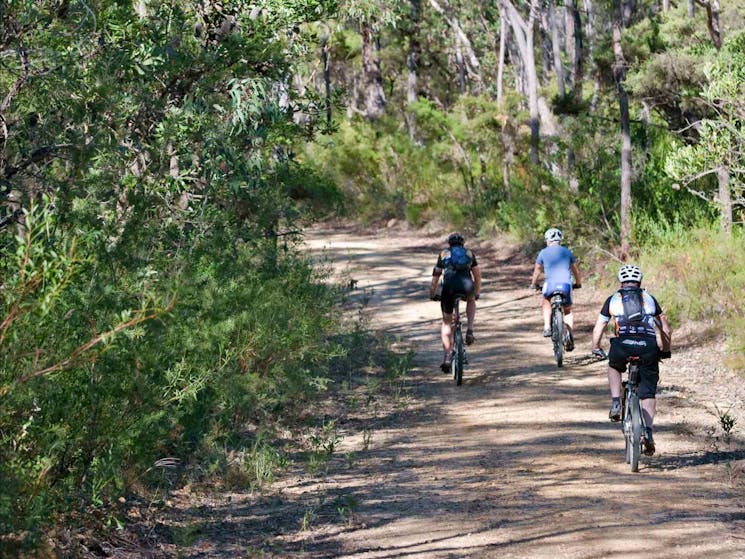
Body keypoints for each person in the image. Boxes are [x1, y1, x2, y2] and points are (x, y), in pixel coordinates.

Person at [591, 264, 672, 456]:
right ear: (640, 282)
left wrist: (595, 346)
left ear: (621, 282)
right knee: (648, 392)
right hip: (648, 347)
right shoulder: (650, 299)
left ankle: (616, 402)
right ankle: (648, 432)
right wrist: (666, 350)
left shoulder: (613, 299)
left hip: (623, 345)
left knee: (614, 366)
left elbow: (599, 326)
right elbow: (666, 330)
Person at [429, 232, 481, 373]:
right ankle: (470, 329)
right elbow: (477, 275)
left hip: (449, 287)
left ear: (449, 244)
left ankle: (447, 357)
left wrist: (432, 293)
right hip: (466, 285)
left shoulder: (444, 254)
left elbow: (436, 275)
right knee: (471, 300)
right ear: (462, 244)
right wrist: (476, 292)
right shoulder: (469, 253)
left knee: (447, 322)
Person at [529, 228, 582, 350]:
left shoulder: (543, 252)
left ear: (548, 240)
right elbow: (575, 270)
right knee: (567, 310)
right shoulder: (566, 252)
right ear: (560, 240)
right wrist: (578, 283)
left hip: (550, 284)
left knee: (546, 299)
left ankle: (547, 327)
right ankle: (569, 334)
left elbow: (537, 270)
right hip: (566, 285)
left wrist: (533, 283)